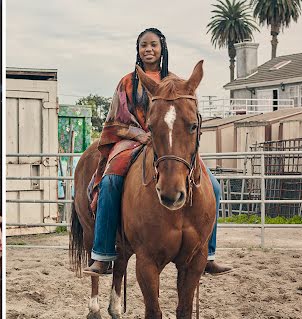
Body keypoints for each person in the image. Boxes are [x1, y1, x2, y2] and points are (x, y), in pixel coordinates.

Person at [84, 28, 232, 276]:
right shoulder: (127, 83)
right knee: (110, 180)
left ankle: (208, 254)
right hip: (132, 139)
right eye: (144, 45)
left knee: (213, 186)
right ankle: (103, 253)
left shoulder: (175, 82)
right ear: (138, 50)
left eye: (153, 44)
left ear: (162, 48)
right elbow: (113, 121)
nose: (148, 49)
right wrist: (139, 134)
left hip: (168, 143)